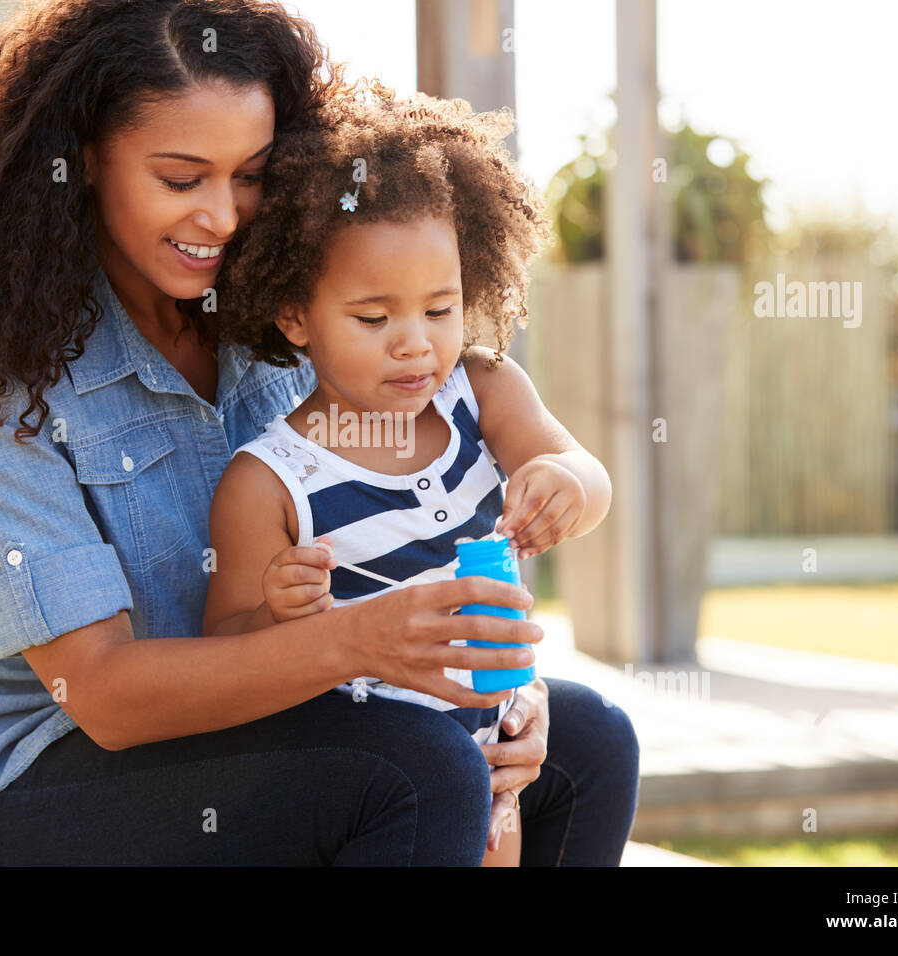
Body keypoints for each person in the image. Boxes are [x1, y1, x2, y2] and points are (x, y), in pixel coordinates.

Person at [0, 0, 640, 867]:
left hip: (261, 713)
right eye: (181, 178)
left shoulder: (293, 308)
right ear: (83, 161)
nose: (226, 216)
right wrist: (365, 640)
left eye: (251, 174)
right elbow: (104, 695)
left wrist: (501, 692)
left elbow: (403, 547)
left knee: (586, 742)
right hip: (20, 773)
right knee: (415, 768)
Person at [202, 80, 624, 865]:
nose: (415, 344)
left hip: (491, 739)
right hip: (381, 777)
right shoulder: (269, 481)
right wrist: (274, 613)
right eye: (374, 318)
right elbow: (225, 648)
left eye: (440, 309)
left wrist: (569, 483)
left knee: (592, 743)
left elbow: (582, 470)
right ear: (295, 314)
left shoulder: (484, 390)